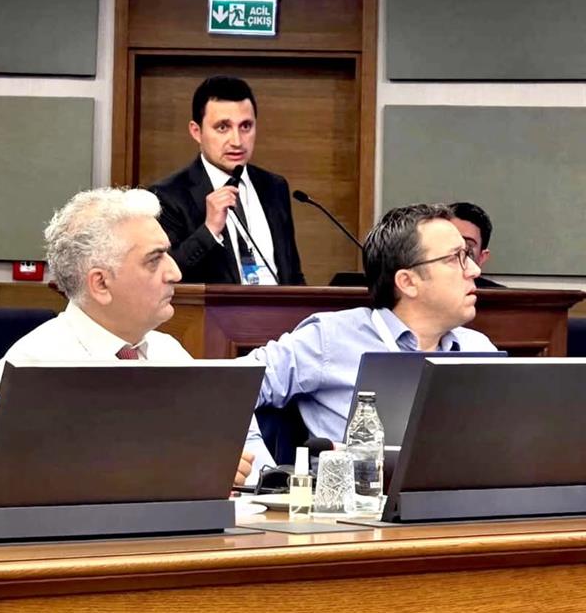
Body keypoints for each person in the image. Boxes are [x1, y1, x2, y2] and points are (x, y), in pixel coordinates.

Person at [0, 187, 273, 485]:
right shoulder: (32, 368)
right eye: (154, 260)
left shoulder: (169, 353)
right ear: (100, 284)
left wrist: (223, 467)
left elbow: (225, 457)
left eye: (168, 254)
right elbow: (19, 482)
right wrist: (175, 469)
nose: (175, 272)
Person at [243, 203, 497, 442]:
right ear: (408, 282)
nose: (474, 270)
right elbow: (229, 387)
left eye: (468, 255)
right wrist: (254, 463)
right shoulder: (330, 338)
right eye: (455, 258)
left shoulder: (479, 348)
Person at [149, 76, 305, 286]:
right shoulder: (167, 196)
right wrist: (209, 230)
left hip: (277, 306)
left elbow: (292, 273)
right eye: (223, 127)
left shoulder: (274, 187)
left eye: (246, 126)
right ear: (196, 131)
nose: (237, 141)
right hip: (214, 308)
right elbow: (163, 276)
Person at [449, 201, 506, 289]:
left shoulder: (499, 296)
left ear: (482, 257)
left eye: (467, 245)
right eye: (449, 240)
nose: (456, 251)